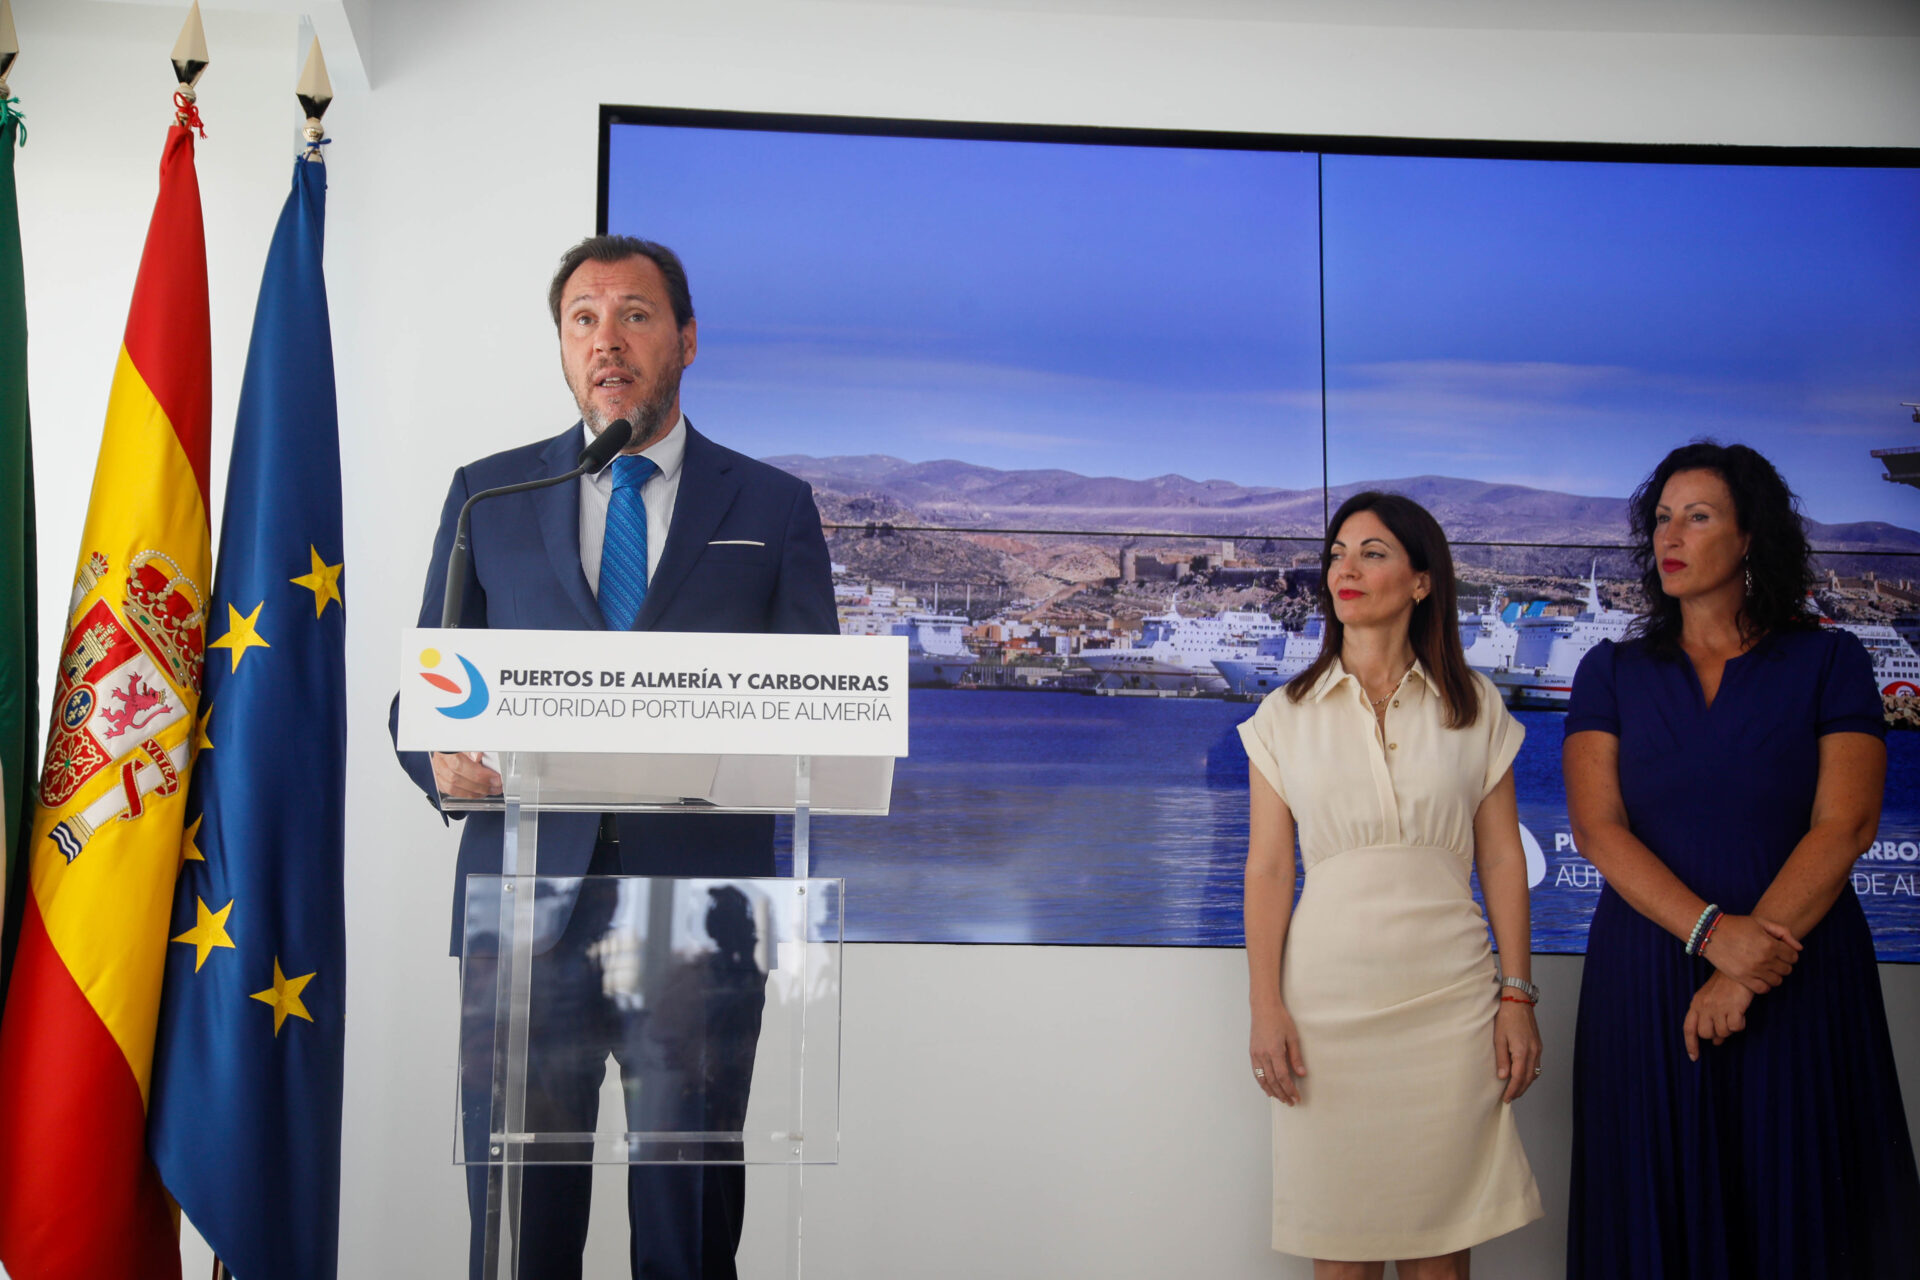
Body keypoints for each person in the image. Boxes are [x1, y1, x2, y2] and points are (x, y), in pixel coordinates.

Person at [390, 234, 837, 1280]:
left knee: (687, 1224)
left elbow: (817, 701)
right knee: (520, 1227)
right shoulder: (488, 496)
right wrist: (436, 754)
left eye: (635, 315)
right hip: (525, 908)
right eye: (582, 319)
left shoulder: (771, 507)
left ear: (686, 339)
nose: (607, 340)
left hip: (701, 913)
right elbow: (425, 695)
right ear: (561, 346)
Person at [1564, 441, 1920, 1278]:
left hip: (1797, 970)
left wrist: (1743, 970)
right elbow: (1598, 829)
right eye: (1662, 519)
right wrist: (1714, 937)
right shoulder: (1610, 670)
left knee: (1798, 1198)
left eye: (1698, 517)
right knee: (1653, 1204)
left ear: (1751, 535)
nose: (1670, 536)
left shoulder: (1831, 660)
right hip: (1647, 977)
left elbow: (1847, 824)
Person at [1240, 491, 1543, 1280]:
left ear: (1421, 581)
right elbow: (1269, 869)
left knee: (1439, 1258)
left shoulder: (1475, 706)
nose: (1346, 568)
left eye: (1372, 553)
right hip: (1326, 1009)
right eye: (1337, 553)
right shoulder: (1283, 715)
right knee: (1341, 1259)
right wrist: (1265, 1007)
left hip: (1451, 1003)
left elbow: (1502, 861)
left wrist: (1517, 996)